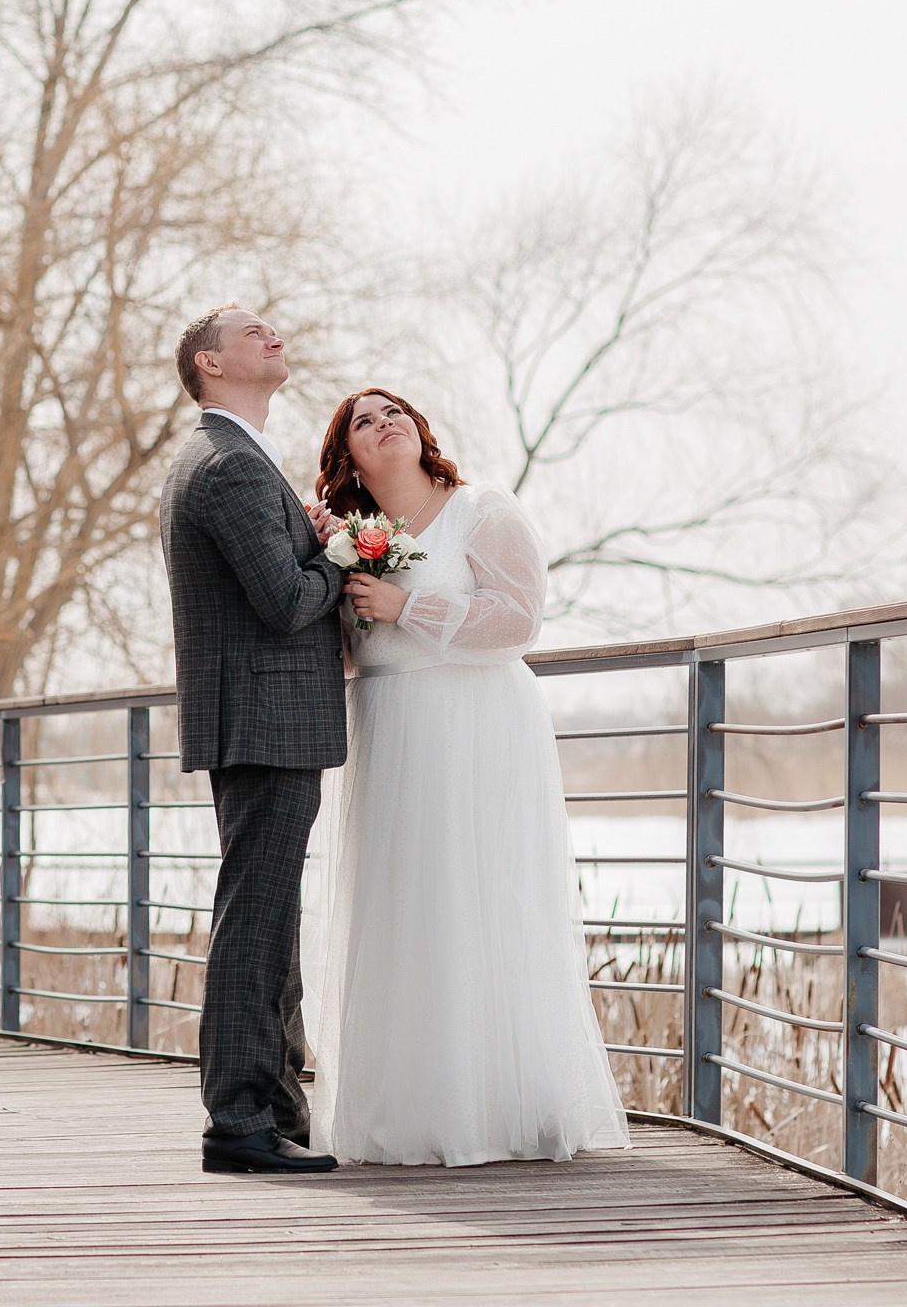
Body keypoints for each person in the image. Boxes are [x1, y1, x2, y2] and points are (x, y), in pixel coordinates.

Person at [305, 387, 630, 1165]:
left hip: (479, 723)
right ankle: (410, 1112)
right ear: (346, 457)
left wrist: (404, 606)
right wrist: (323, 561)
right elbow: (348, 651)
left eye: (394, 412)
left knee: (485, 895)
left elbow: (518, 619)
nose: (382, 423)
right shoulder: (352, 539)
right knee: (403, 905)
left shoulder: (482, 511)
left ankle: (505, 1108)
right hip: (389, 727)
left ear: (420, 431)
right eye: (362, 420)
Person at [157, 305, 345, 1175]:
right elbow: (286, 603)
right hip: (265, 723)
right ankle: (235, 1124)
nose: (275, 336)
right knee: (254, 926)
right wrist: (341, 558)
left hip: (265, 722)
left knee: (268, 924)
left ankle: (276, 1109)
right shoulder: (228, 466)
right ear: (211, 363)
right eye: (253, 332)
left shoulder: (236, 458)